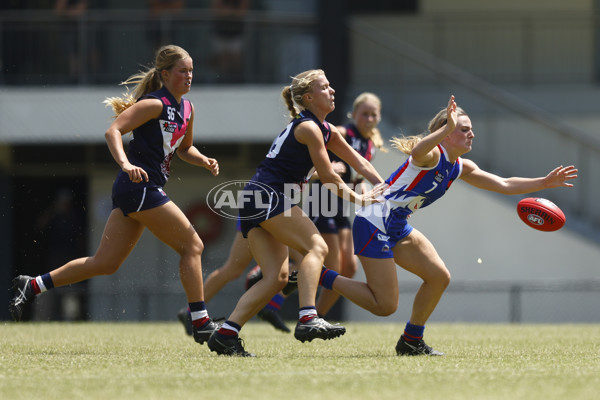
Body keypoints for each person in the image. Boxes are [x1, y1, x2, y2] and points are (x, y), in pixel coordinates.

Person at [317, 95, 578, 356]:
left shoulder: (459, 167)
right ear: (447, 134)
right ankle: (320, 275)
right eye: (464, 129)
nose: (471, 134)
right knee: (384, 306)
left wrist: (543, 182)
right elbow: (418, 151)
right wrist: (447, 127)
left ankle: (410, 341)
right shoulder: (432, 154)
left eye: (470, 129)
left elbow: (504, 184)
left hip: (396, 224)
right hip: (374, 221)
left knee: (439, 277)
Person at [9, 44, 222, 346]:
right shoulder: (154, 103)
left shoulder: (187, 108)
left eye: (191, 71)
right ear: (165, 74)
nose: (189, 76)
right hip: (138, 186)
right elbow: (113, 132)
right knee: (193, 244)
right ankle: (200, 321)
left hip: (139, 189)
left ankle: (31, 285)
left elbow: (185, 148)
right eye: (182, 71)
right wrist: (125, 163)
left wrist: (203, 160)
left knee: (105, 263)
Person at [206, 69, 386, 356]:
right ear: (309, 98)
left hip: (257, 198)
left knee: (276, 278)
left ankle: (227, 334)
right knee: (317, 246)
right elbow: (329, 176)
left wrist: (385, 189)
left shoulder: (324, 129)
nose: (332, 91)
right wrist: (359, 200)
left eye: (330, 86)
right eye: (325, 87)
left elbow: (359, 163)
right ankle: (308, 316)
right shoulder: (309, 128)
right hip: (268, 196)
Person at [311, 92, 387, 318]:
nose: (369, 119)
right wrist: (325, 169)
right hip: (322, 202)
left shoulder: (370, 144)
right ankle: (282, 291)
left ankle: (317, 316)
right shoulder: (342, 133)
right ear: (353, 115)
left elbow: (357, 177)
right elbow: (308, 156)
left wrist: (368, 192)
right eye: (364, 114)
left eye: (374, 115)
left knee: (350, 269)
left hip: (343, 206)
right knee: (332, 265)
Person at [177, 218, 300, 335]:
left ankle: (272, 304)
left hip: (269, 213)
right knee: (232, 269)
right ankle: (193, 312)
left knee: (306, 259)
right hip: (262, 214)